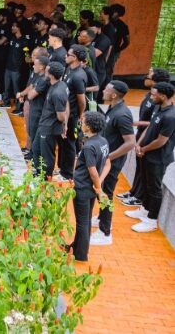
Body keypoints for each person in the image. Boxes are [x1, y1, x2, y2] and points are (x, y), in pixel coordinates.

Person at [90, 81, 136, 246]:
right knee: (100, 190)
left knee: (106, 194)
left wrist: (109, 157)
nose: (103, 91)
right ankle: (101, 218)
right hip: (105, 159)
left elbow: (130, 143)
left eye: (107, 90)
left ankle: (105, 232)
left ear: (114, 94)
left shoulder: (122, 114)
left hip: (111, 163)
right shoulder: (113, 108)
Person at [119, 68, 171, 207]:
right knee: (139, 167)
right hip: (142, 135)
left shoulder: (159, 103)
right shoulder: (150, 95)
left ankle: (139, 197)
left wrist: (137, 123)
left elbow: (155, 122)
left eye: (149, 76)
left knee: (146, 172)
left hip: (150, 138)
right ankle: (134, 192)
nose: (145, 78)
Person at [129, 82, 175, 233]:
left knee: (154, 188)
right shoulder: (158, 108)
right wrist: (138, 144)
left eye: (154, 95)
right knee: (146, 182)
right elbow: (149, 127)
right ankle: (145, 209)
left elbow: (161, 141)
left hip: (158, 158)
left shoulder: (170, 116)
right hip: (146, 154)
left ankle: (151, 220)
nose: (151, 97)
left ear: (163, 96)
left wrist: (143, 149)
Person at [69, 111, 109, 262]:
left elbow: (93, 171)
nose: (81, 123)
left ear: (89, 126)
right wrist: (98, 186)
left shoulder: (89, 146)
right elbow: (107, 164)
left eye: (83, 121)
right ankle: (75, 247)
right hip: (91, 188)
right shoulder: (103, 141)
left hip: (83, 188)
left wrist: (98, 188)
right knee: (85, 220)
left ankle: (80, 255)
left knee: (82, 222)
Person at [34, 61, 69, 180]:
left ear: (52, 75)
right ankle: (39, 172)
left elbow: (61, 116)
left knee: (47, 155)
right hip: (43, 124)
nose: (45, 71)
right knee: (36, 148)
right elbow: (66, 103)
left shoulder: (57, 93)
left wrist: (64, 124)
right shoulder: (61, 85)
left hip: (49, 128)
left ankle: (46, 178)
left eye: (47, 70)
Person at [59, 45, 88, 181]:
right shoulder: (68, 69)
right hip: (64, 112)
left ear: (75, 57)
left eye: (68, 54)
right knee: (62, 141)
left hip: (72, 115)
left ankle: (68, 173)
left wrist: (79, 115)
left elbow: (82, 101)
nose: (65, 56)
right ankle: (61, 168)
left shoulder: (78, 76)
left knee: (70, 142)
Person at [20, 55, 50, 161]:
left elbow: (31, 95)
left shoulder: (44, 80)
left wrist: (29, 93)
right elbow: (31, 88)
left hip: (38, 110)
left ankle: (34, 155)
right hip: (34, 107)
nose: (33, 66)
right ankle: (31, 152)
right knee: (31, 130)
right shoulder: (38, 76)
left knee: (34, 132)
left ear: (41, 67)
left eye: (35, 64)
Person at [3, 21, 28, 109]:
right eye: (12, 26)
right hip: (8, 66)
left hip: (16, 68)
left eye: (14, 26)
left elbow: (27, 54)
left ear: (19, 28)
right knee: (6, 87)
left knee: (16, 88)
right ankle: (6, 103)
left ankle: (19, 107)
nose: (12, 28)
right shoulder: (12, 38)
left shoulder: (24, 41)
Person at [108, 4, 129, 79]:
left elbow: (127, 42)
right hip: (101, 49)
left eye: (113, 11)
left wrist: (117, 50)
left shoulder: (122, 26)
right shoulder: (105, 22)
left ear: (119, 14)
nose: (110, 13)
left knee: (109, 69)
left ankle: (107, 84)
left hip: (113, 52)